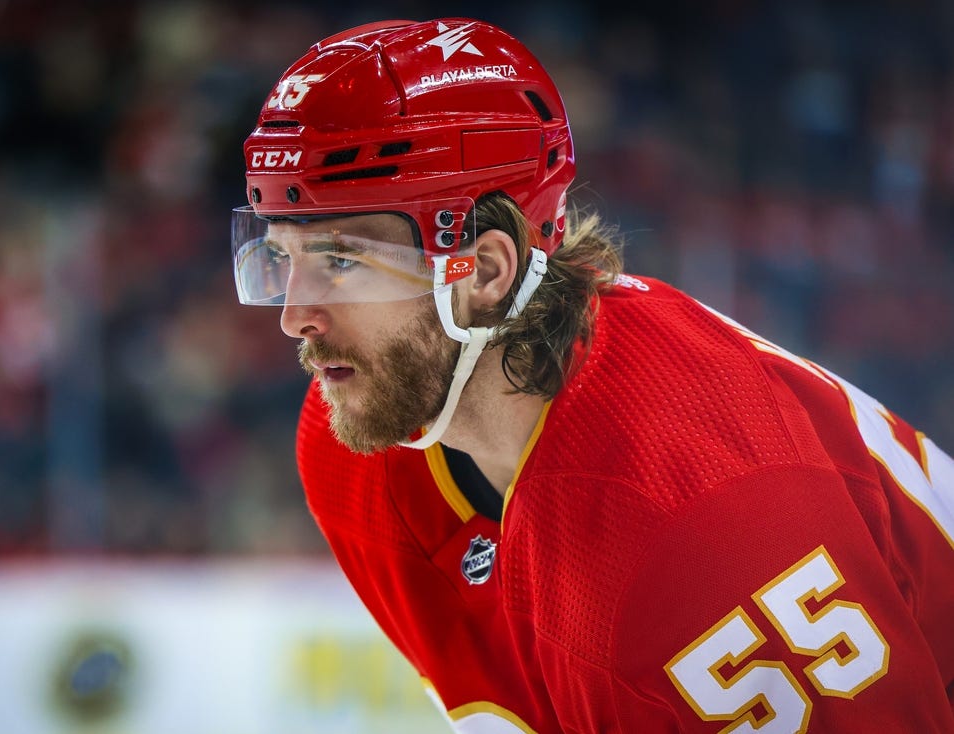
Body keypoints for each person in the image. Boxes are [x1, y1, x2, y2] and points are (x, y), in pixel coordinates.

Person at [230, 17, 954, 733]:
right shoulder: (356, 449)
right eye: (282, 257)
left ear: (482, 271)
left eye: (341, 261)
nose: (295, 317)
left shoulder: (698, 533)